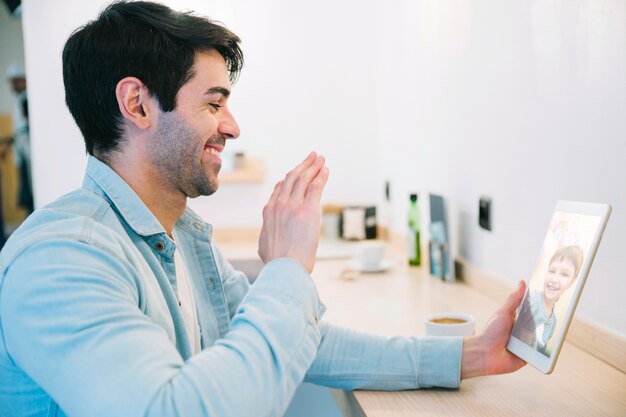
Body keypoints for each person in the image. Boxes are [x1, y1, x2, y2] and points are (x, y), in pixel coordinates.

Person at [0, 2, 526, 416]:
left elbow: (307, 342)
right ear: (137, 104)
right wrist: (288, 271)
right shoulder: (62, 257)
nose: (232, 126)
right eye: (213, 103)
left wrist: (472, 355)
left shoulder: (179, 233)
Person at [513, 245, 583, 355]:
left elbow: (541, 349)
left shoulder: (553, 321)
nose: (554, 279)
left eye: (564, 274)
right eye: (552, 271)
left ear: (572, 281)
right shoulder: (532, 300)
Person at [2, 63, 34, 214]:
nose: (13, 85)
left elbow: (26, 128)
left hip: (28, 155)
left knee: (29, 192)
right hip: (22, 154)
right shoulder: (21, 100)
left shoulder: (27, 99)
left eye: (15, 81)